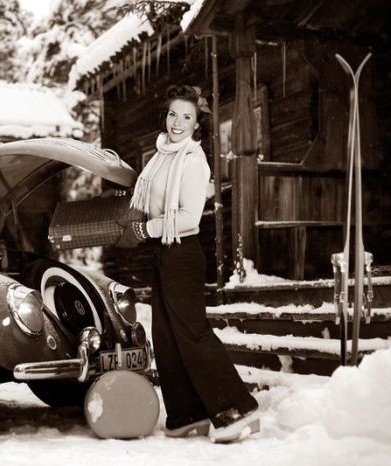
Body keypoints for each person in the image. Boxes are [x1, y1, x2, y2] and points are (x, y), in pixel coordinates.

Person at [115, 85, 260, 443]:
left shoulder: (193, 161)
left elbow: (188, 217)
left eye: (187, 117)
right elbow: (152, 202)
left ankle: (237, 408)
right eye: (172, 114)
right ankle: (187, 413)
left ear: (197, 125)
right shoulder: (160, 156)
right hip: (163, 252)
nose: (177, 123)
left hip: (183, 253)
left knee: (192, 334)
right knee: (164, 335)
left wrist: (144, 228)